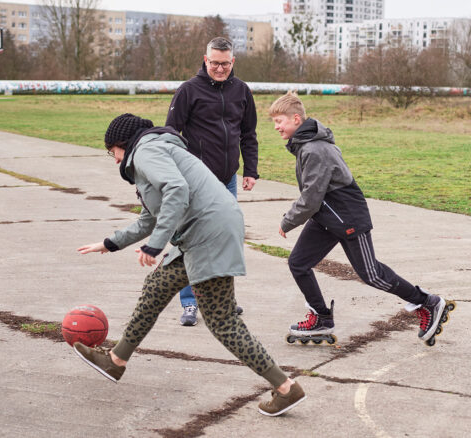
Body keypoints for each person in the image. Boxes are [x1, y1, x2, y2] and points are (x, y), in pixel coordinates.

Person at [75, 113, 305, 417]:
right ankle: (116, 360)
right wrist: (110, 242)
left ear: (121, 143)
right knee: (156, 287)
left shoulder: (145, 151)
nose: (115, 159)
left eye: (111, 152)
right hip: (203, 231)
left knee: (222, 321)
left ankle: (285, 387)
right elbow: (151, 216)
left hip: (209, 233)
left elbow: (177, 190)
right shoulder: (154, 151)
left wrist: (156, 244)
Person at [268, 92, 453, 344]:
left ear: (296, 119)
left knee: (372, 274)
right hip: (326, 217)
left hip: (347, 216)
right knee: (298, 263)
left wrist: (288, 220)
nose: (276, 127)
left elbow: (310, 197)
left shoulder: (315, 149)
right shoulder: (306, 146)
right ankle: (321, 317)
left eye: (279, 121)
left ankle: (427, 302)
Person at [165, 36, 258, 327]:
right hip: (195, 181)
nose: (219, 69)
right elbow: (170, 134)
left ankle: (223, 302)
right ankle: (190, 303)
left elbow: (248, 134)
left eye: (225, 63)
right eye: (214, 63)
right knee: (191, 241)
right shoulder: (188, 91)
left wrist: (250, 171)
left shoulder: (242, 91)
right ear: (205, 60)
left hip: (228, 179)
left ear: (233, 62)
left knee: (226, 241)